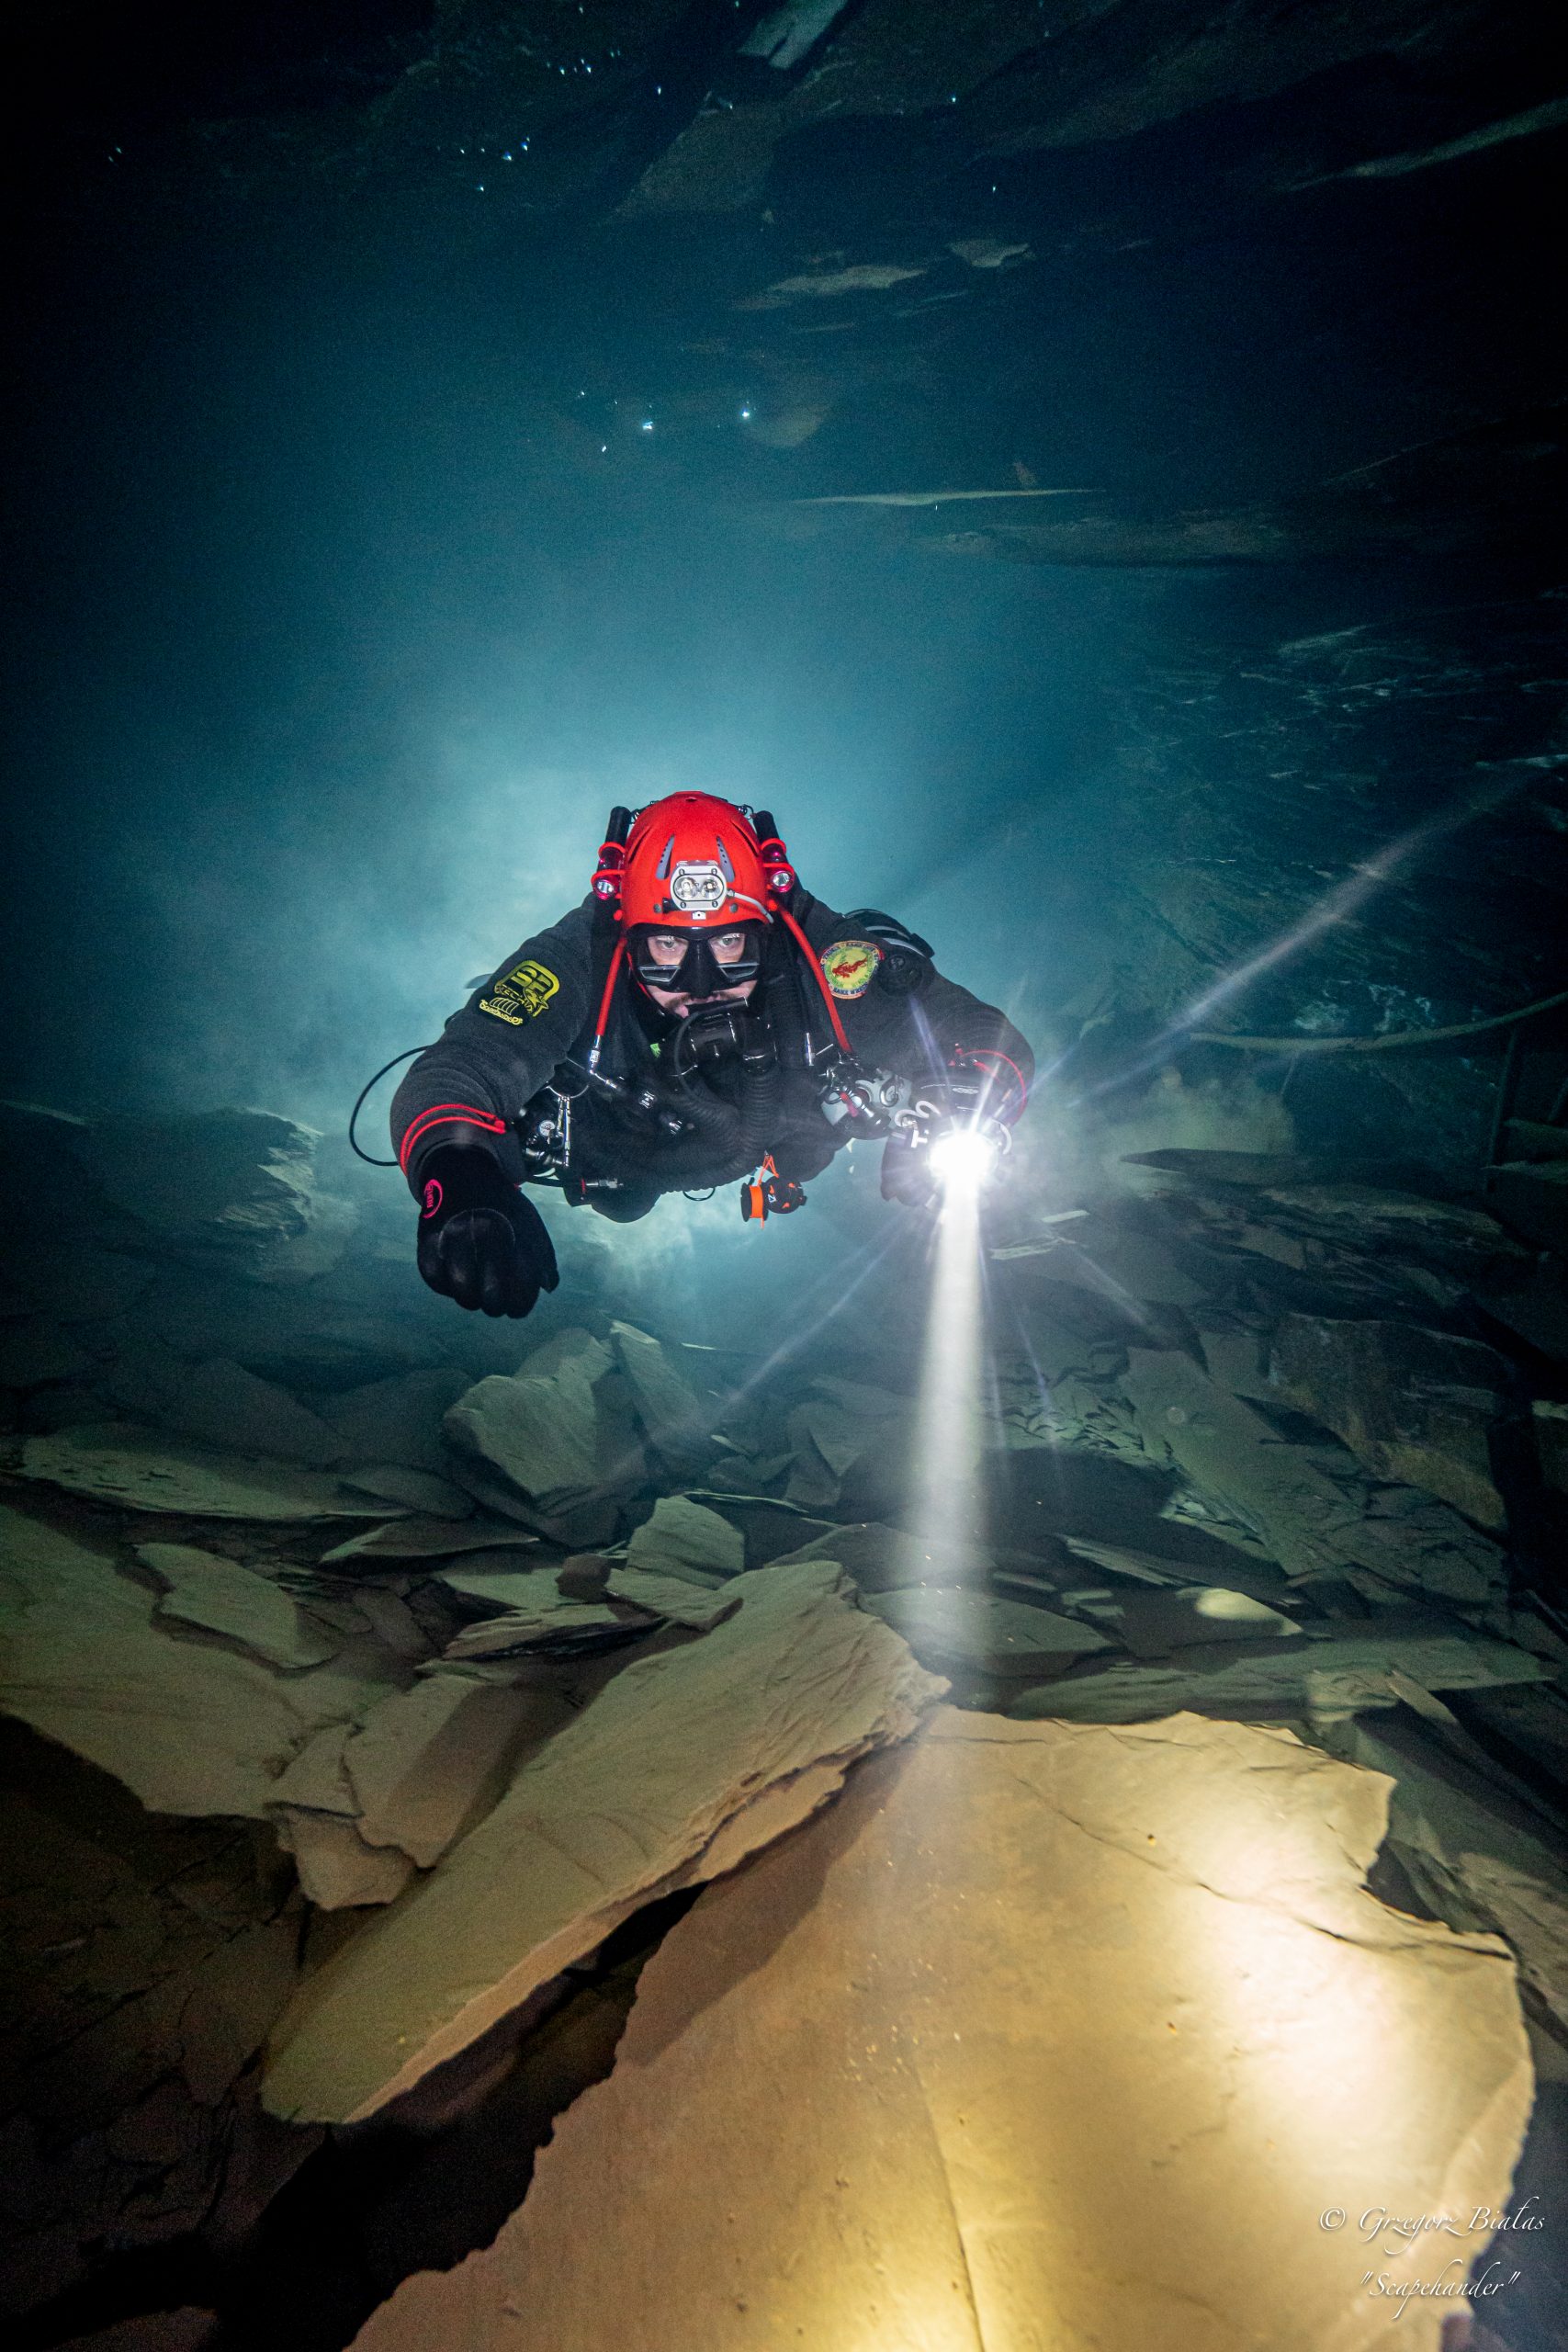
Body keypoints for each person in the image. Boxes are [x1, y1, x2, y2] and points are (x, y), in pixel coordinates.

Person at [393, 791, 1032, 1316]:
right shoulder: (576, 953)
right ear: (628, 932)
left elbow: (982, 1033)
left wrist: (955, 1102)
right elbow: (459, 1066)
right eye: (668, 949)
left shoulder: (822, 948)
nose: (701, 983)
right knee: (622, 1201)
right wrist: (459, 1179)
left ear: (766, 925)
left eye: (728, 944)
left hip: (782, 1131)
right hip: (621, 1143)